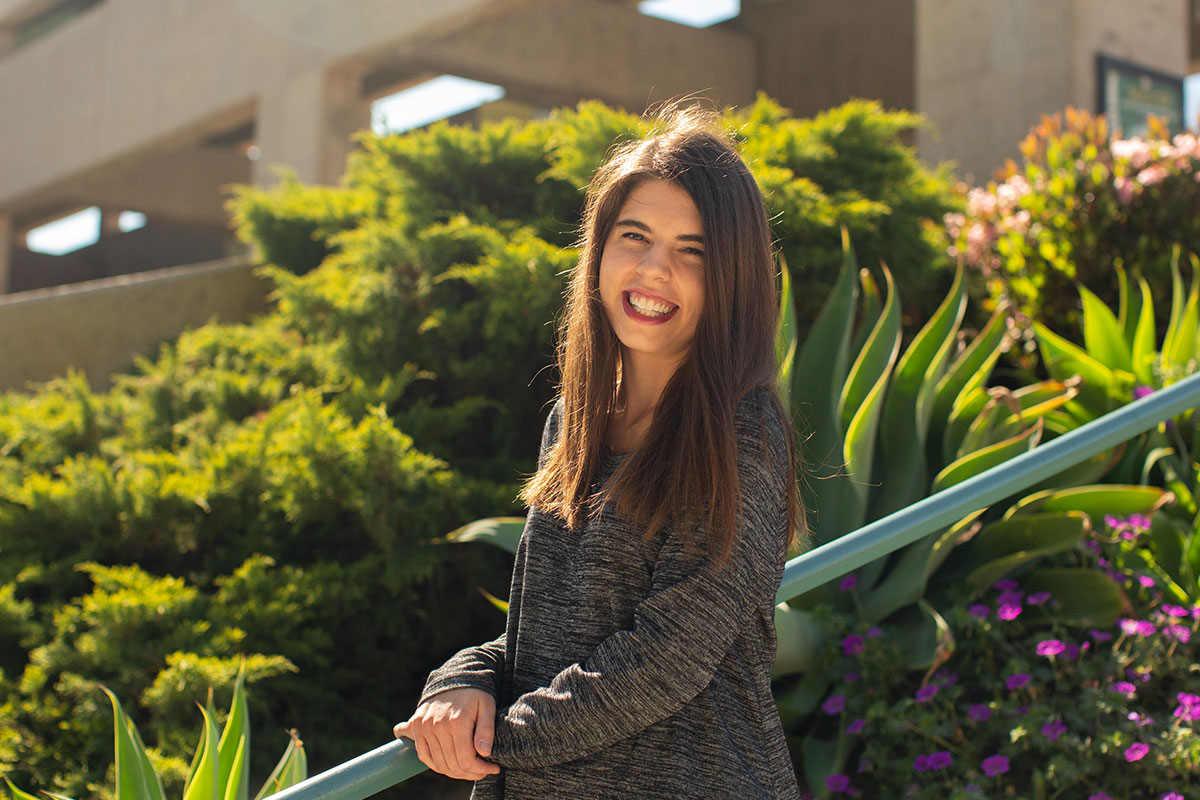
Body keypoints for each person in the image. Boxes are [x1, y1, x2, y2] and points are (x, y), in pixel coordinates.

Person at [394, 102, 804, 799]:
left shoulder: (745, 432)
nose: (653, 270)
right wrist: (464, 682)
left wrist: (489, 741)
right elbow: (553, 632)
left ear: (732, 277)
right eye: (634, 236)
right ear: (598, 248)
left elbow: (666, 659)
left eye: (692, 251)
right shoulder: (574, 419)